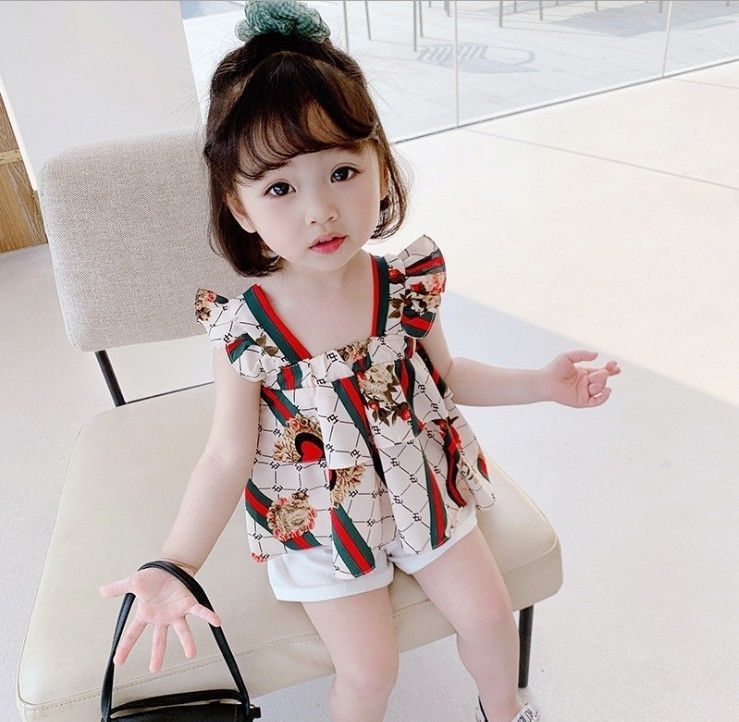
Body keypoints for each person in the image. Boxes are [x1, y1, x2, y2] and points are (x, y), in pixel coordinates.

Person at [99, 2, 621, 721]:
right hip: (318, 516)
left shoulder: (400, 285)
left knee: (488, 616)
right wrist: (176, 561)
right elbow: (226, 455)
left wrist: (543, 384)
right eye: (280, 187)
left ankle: (504, 712)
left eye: (342, 171)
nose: (319, 210)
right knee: (370, 672)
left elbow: (445, 378)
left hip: (420, 486)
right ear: (240, 208)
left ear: (381, 167)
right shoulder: (246, 330)